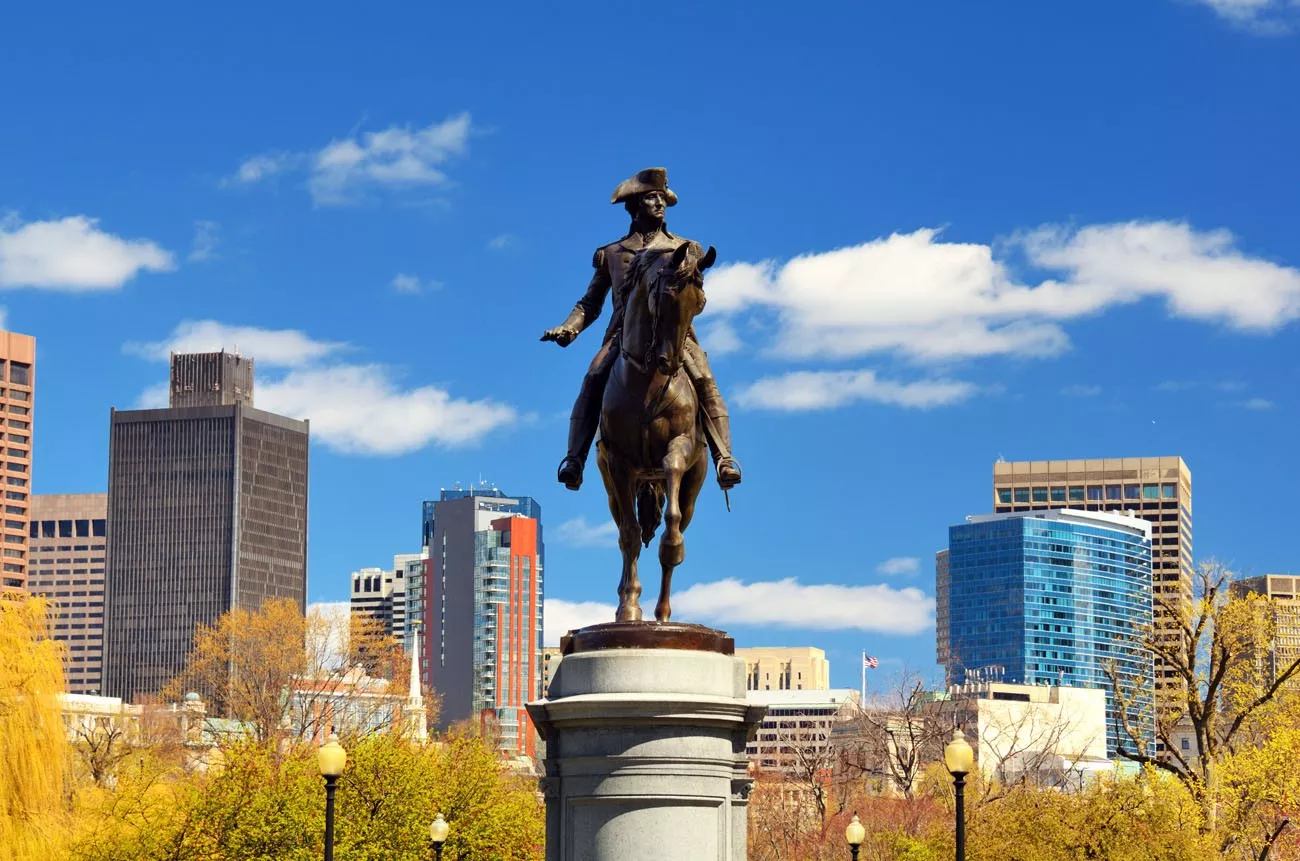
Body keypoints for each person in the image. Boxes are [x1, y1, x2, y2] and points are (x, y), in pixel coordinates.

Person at [541, 167, 741, 492]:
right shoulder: (612, 253)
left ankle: (724, 458)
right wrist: (569, 328)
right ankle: (574, 459)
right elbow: (590, 303)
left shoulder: (687, 248)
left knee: (705, 380)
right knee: (592, 379)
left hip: (674, 338)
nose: (659, 204)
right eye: (652, 198)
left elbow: (696, 297)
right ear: (634, 206)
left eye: (662, 198)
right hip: (623, 338)